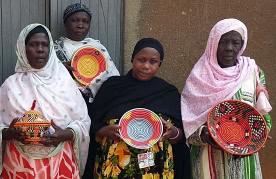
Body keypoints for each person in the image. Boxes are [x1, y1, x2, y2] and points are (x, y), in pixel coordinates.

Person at [181, 18, 272, 179]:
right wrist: (204, 135)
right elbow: (188, 120)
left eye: (235, 43)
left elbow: (263, 115)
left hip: (243, 159)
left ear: (242, 44)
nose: (229, 48)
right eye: (223, 42)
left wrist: (254, 139)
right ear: (213, 42)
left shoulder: (253, 72)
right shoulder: (199, 76)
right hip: (207, 157)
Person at [87, 38, 190, 179]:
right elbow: (91, 122)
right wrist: (104, 131)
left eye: (153, 62)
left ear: (159, 64)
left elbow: (180, 135)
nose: (146, 66)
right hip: (115, 168)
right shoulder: (112, 88)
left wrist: (172, 132)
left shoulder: (167, 93)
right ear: (132, 59)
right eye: (141, 60)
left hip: (155, 170)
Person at [0, 24, 91, 178]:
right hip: (20, 164)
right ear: (23, 49)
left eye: (44, 44)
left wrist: (66, 134)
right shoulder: (10, 86)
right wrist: (9, 133)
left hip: (60, 161)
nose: (40, 49)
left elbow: (83, 122)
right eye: (33, 45)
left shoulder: (65, 82)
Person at [54, 3, 120, 104]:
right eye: (74, 20)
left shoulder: (97, 48)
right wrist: (61, 69)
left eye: (85, 22)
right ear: (65, 24)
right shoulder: (56, 48)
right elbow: (47, 76)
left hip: (99, 101)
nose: (80, 25)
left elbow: (113, 78)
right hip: (66, 101)